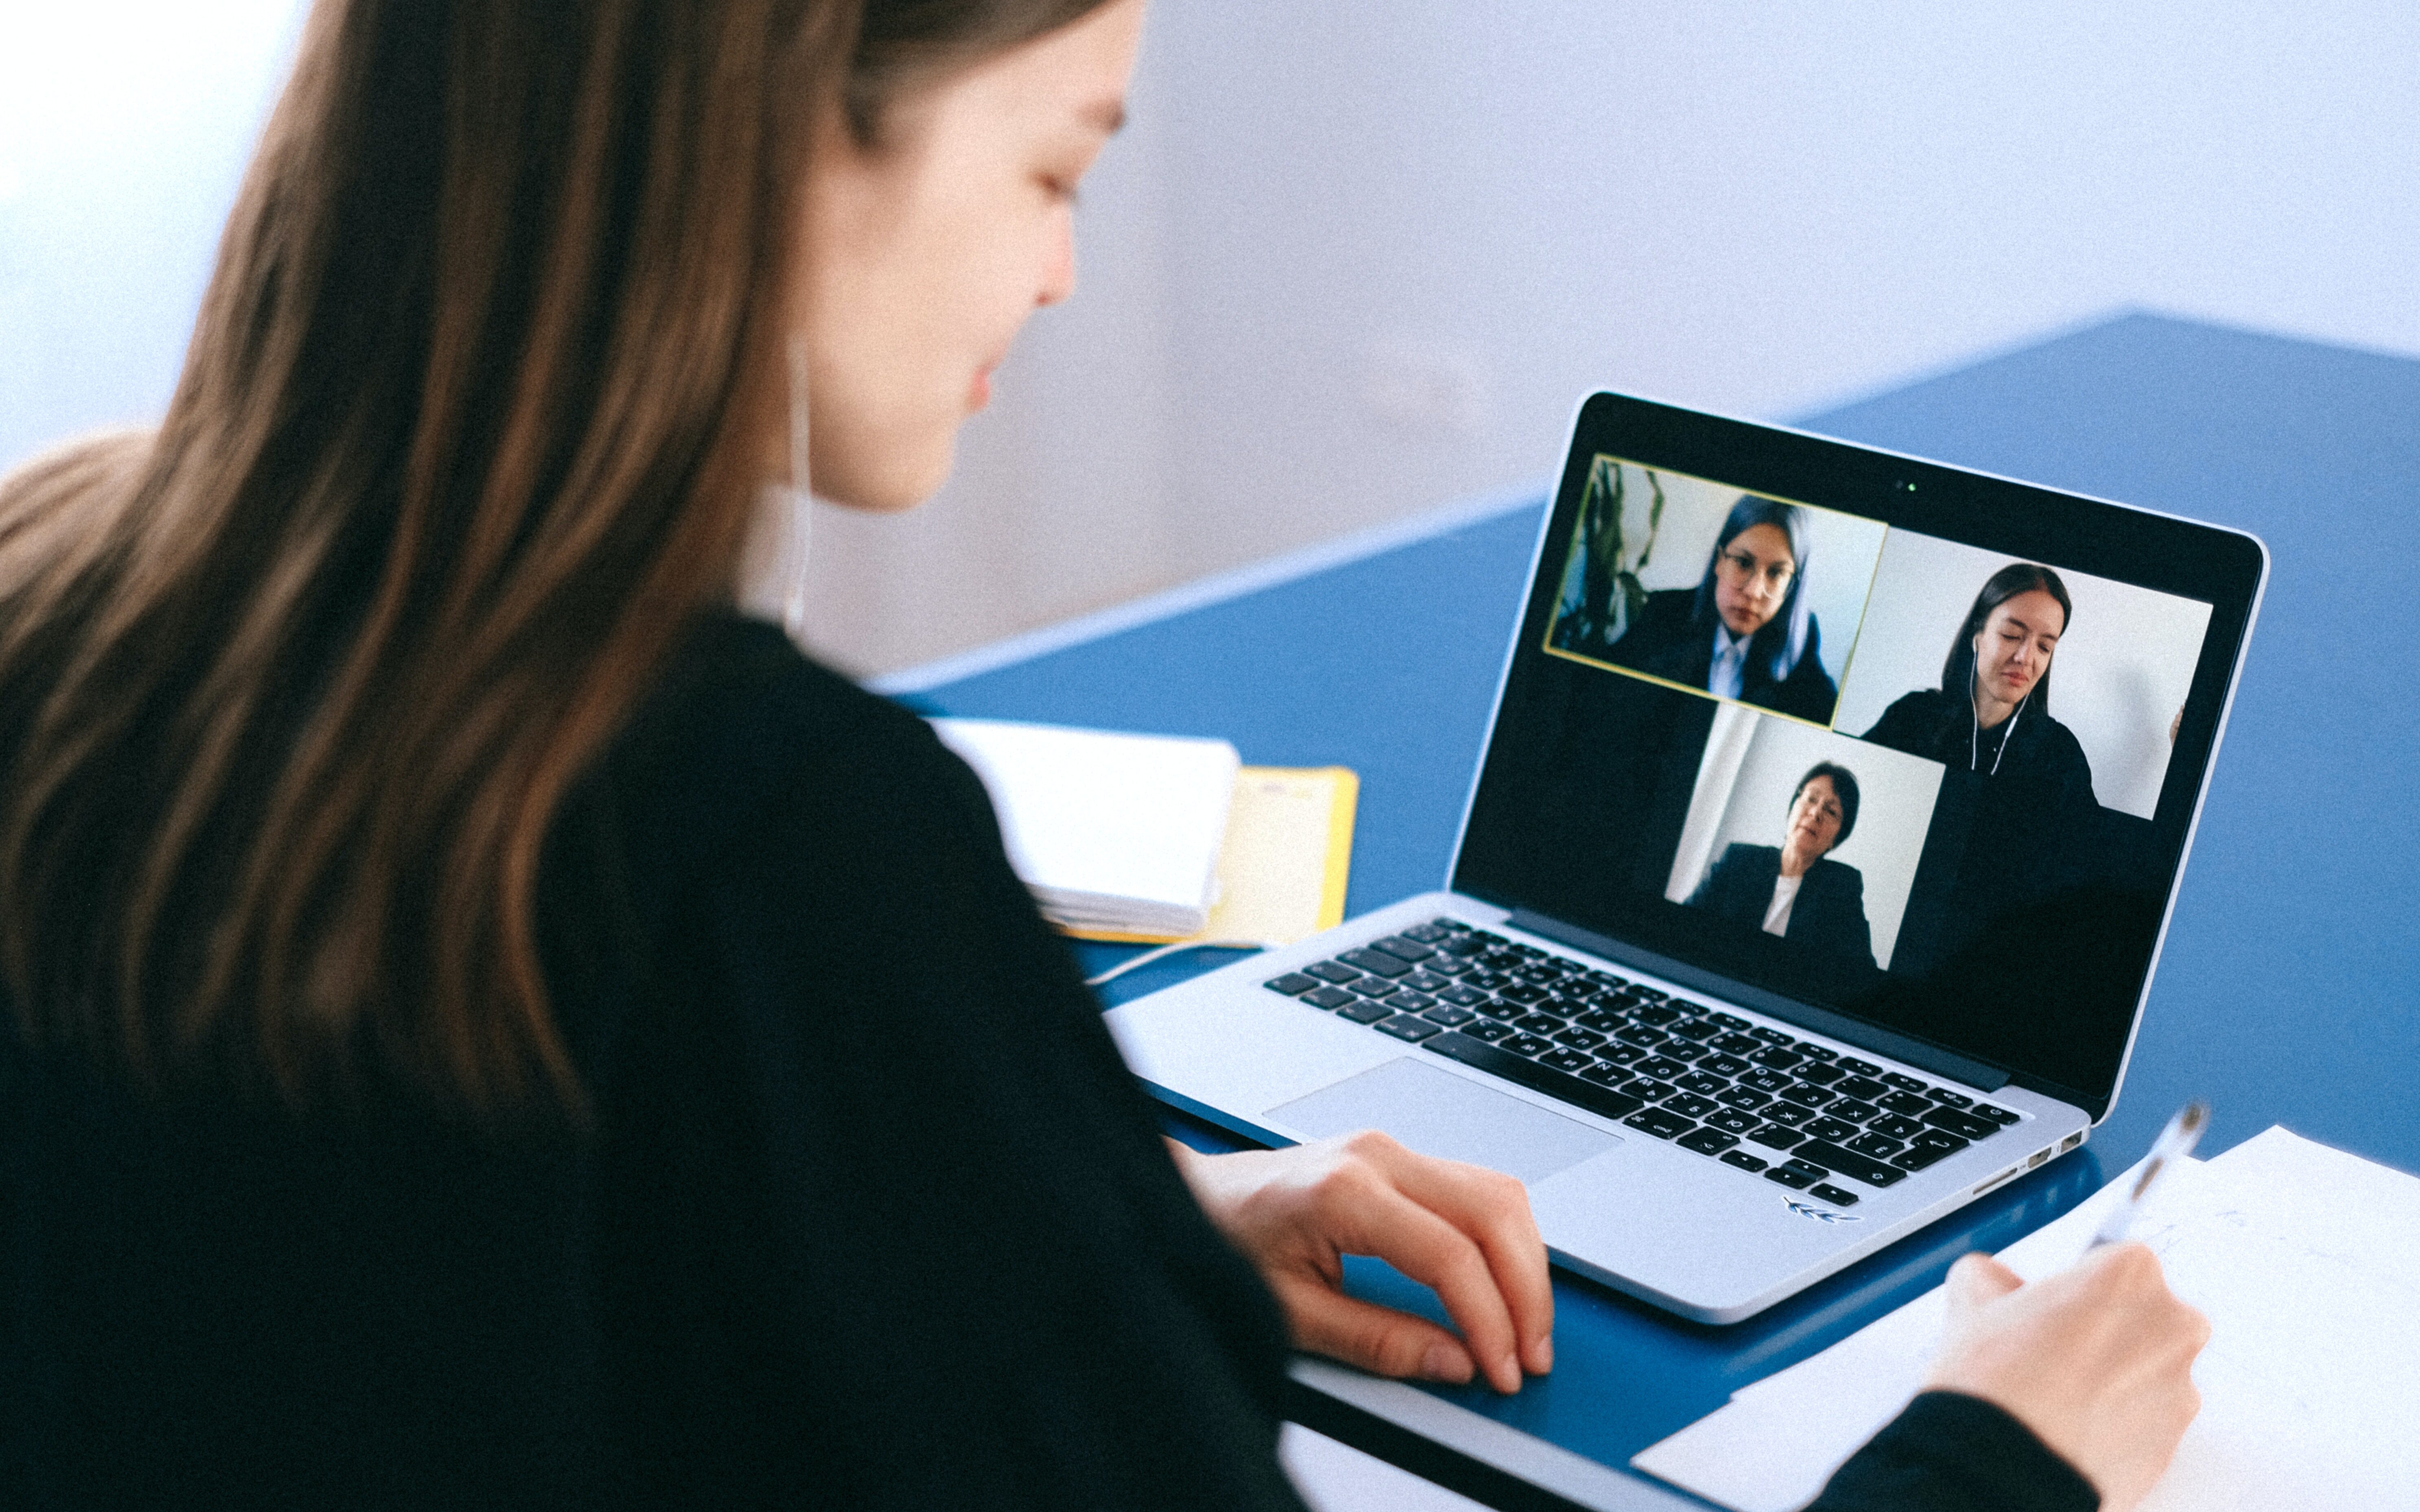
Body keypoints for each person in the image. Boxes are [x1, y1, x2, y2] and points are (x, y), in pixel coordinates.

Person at [0, 2, 2205, 1508]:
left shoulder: (58, 591)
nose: (1061, 278)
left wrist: (1104, 1222)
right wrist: (1986, 1454)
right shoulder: (782, 845)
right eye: (1056, 165)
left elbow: (405, 1254)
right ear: (775, 127)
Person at [1861, 563, 2094, 801]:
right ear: (1978, 634)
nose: (2025, 658)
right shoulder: (1912, 717)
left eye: (2044, 647)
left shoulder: (2060, 754)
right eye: (2011, 635)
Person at [1604, 495, 1841, 722]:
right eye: (1743, 563)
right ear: (1719, 561)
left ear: (1791, 587)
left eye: (1776, 573)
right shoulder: (1666, 613)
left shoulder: (1800, 640)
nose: (1754, 591)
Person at [1688, 762, 1875, 964]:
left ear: (1836, 839)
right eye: (1811, 799)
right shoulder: (1739, 860)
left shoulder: (1842, 887)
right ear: (1792, 809)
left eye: (1831, 812)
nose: (1815, 813)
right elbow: (1685, 924)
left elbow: (1860, 969)